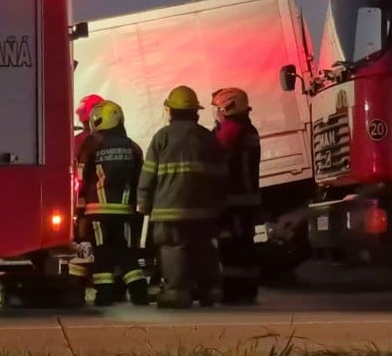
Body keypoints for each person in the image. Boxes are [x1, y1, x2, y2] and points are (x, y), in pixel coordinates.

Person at [136, 85, 226, 309]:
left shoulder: (161, 138)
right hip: (204, 211)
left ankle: (177, 291)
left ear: (170, 110)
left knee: (173, 248)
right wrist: (219, 205)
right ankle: (210, 289)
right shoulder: (208, 138)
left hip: (169, 211)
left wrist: (143, 204)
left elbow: (148, 175)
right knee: (204, 247)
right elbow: (222, 176)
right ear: (196, 111)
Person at [79, 100, 151, 306]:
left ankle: (105, 295)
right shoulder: (133, 147)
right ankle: (139, 293)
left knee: (102, 251)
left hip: (97, 211)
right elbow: (141, 178)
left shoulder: (91, 144)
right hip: (126, 211)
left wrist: (79, 205)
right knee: (126, 252)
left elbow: (80, 177)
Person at [210, 87, 263, 305]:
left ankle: (233, 292)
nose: (217, 114)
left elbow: (215, 156)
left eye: (218, 109)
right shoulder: (248, 129)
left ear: (227, 107)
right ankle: (248, 290)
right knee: (245, 244)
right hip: (247, 198)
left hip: (233, 200)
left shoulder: (231, 129)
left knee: (231, 246)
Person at [68, 93, 105, 288]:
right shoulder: (105, 141)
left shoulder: (77, 141)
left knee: (82, 243)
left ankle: (77, 283)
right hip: (100, 204)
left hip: (81, 205)